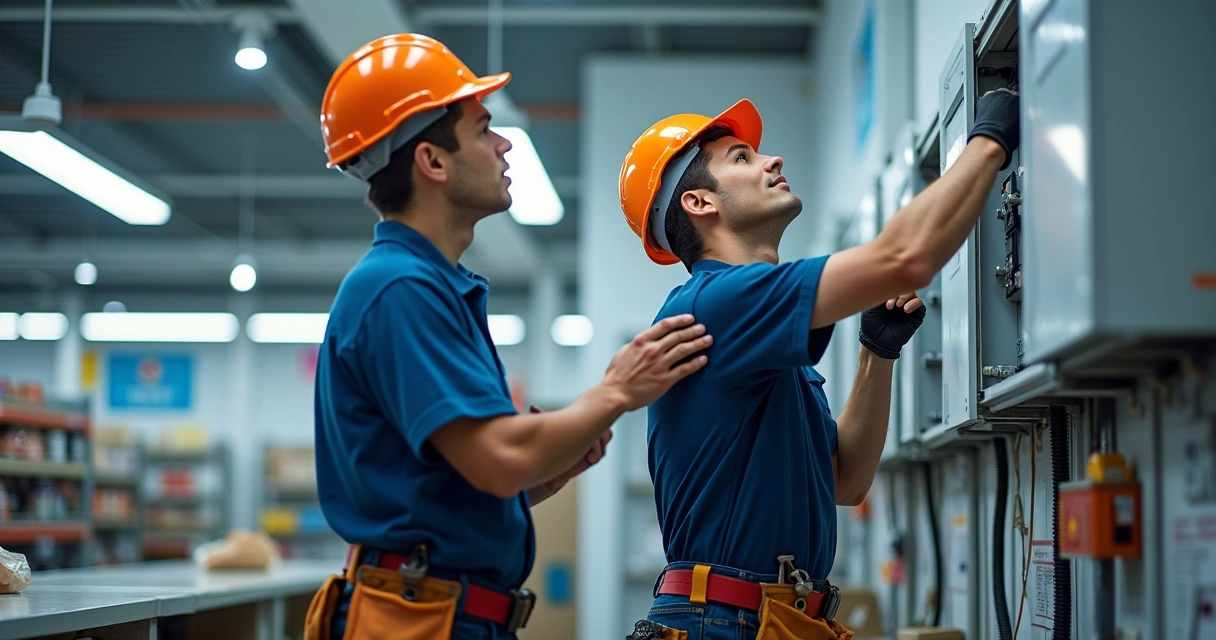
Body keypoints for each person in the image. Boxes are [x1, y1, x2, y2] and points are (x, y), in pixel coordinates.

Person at [304, 34, 714, 640]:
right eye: (482, 129)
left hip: (445, 612)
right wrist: (614, 392)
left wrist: (544, 472)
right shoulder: (399, 289)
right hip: (420, 620)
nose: (502, 145)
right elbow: (498, 460)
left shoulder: (432, 285)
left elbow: (465, 481)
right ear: (432, 162)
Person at [616, 89, 1019, 640]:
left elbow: (845, 480)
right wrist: (991, 137)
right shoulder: (716, 303)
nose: (771, 159)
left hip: (772, 617)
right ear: (699, 203)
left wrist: (877, 353)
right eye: (741, 157)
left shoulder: (753, 332)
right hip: (727, 621)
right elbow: (907, 255)